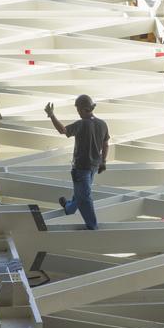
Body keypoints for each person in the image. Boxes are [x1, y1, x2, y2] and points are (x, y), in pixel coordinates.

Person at [45, 94, 109, 230]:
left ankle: (92, 226)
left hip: (81, 169)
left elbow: (62, 130)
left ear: (85, 109)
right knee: (81, 193)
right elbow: (106, 144)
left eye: (79, 110)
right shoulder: (102, 124)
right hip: (94, 166)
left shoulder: (81, 124)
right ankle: (69, 208)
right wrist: (103, 161)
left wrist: (51, 115)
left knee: (85, 197)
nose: (78, 112)